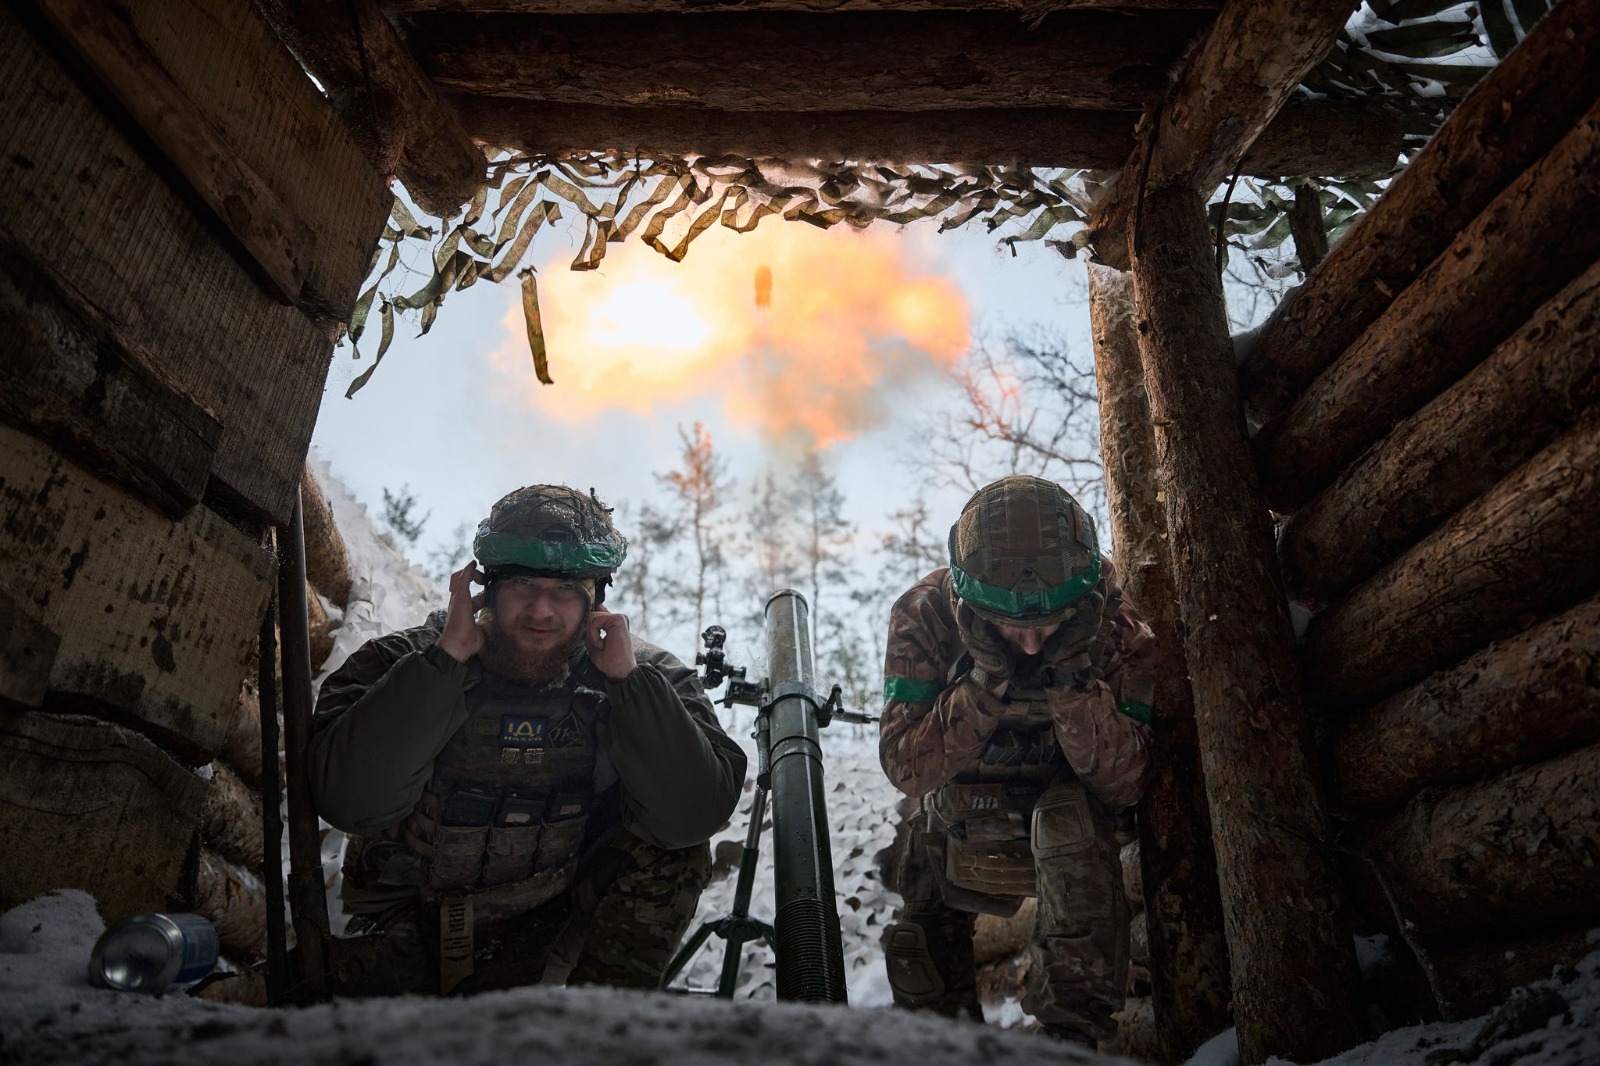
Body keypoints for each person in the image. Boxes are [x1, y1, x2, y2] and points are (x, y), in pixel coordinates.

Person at [307, 485, 746, 995]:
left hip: (552, 928)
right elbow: (350, 801)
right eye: (522, 584)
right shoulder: (407, 660)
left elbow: (692, 815)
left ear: (595, 602)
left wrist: (629, 685)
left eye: (563, 591)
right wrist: (444, 664)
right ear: (485, 588)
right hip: (415, 922)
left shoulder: (643, 675)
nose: (541, 610)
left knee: (673, 853)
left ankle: (596, 1031)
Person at [877, 474, 1155, 1048]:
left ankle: (1068, 1045)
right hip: (959, 821)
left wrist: (1072, 682)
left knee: (1068, 823)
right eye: (1011, 626)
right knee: (918, 951)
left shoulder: (1115, 622)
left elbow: (1128, 782)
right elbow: (907, 767)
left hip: (1074, 830)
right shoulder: (924, 615)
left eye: (1047, 626)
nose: (1030, 644)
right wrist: (981, 684)